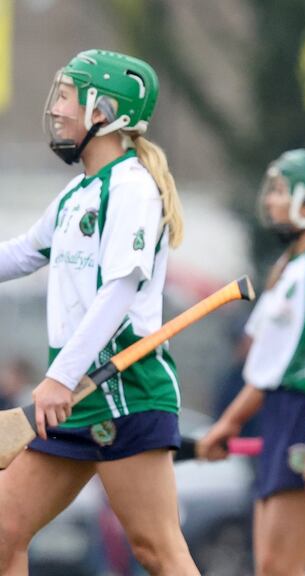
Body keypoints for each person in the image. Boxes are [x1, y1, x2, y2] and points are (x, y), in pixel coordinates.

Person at [0, 49, 196, 574]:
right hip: (73, 396)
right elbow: (20, 253)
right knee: (2, 532)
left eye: (67, 96)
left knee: (157, 548)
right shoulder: (77, 193)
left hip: (122, 385)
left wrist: (60, 377)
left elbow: (119, 291)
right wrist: (63, 382)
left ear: (103, 112)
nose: (56, 109)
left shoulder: (132, 187)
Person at [196, 149, 305, 576]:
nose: (270, 200)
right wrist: (229, 423)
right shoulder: (292, 266)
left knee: (283, 567)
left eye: (281, 191)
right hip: (279, 416)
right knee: (272, 567)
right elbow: (267, 369)